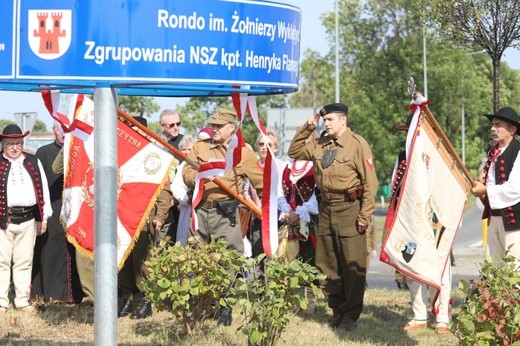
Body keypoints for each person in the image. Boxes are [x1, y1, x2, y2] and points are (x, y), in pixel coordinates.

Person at [287, 103, 379, 332]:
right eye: (324, 120)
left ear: (343, 121)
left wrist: (364, 215)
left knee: (351, 263)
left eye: (329, 120)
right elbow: (294, 151)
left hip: (350, 208)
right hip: (325, 207)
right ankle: (337, 309)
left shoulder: (357, 144)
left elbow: (370, 183)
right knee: (326, 263)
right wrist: (309, 126)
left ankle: (351, 314)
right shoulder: (320, 143)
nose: (325, 124)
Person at [182, 108, 263, 326]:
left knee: (229, 259)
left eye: (219, 126)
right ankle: (204, 303)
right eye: (213, 125)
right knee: (198, 258)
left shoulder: (242, 152)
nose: (215, 129)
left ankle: (224, 304)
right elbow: (187, 173)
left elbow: (260, 181)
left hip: (226, 213)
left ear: (231, 127)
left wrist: (266, 207)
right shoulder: (200, 147)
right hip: (200, 210)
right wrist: (200, 176)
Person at [389, 115, 451, 334]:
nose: (410, 135)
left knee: (440, 267)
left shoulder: (441, 157)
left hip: (436, 219)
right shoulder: (403, 156)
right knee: (411, 262)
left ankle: (442, 316)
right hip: (410, 219)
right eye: (409, 131)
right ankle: (419, 314)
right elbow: (395, 187)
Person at [118, 116, 173, 319]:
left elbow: (165, 190)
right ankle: (128, 299)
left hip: (143, 215)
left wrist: (159, 216)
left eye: (137, 129)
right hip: (121, 215)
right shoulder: (119, 153)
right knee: (123, 262)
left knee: (143, 262)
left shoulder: (153, 155)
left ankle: (145, 301)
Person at [0, 124, 53, 312]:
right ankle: (1, 301)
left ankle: (22, 300)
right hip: (3, 220)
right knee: (2, 261)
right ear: (3, 144)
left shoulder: (33, 161)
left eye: (18, 143)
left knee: (24, 260)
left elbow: (43, 190)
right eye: (10, 143)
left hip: (29, 219)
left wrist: (43, 218)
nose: (15, 147)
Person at [31, 122, 83, 303]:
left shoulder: (80, 150)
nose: (63, 134)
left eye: (66, 130)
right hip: (52, 208)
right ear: (53, 130)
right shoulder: (43, 153)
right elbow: (37, 186)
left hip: (76, 209)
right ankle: (52, 293)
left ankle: (76, 293)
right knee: (50, 250)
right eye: (60, 130)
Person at [471, 106, 520, 265]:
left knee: (514, 268)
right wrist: (480, 188)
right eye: (492, 125)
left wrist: (485, 189)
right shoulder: (493, 152)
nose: (493, 128)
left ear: (512, 129)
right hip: (494, 216)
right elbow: (488, 182)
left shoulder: (518, 151)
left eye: (498, 125)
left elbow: (515, 188)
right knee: (494, 268)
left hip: (514, 221)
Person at [159, 109, 184, 242]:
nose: (176, 127)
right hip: (162, 201)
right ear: (162, 126)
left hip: (181, 200)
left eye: (178, 123)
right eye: (171, 125)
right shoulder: (156, 142)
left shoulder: (186, 142)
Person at [171, 134, 196, 245]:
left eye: (189, 149)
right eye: (184, 149)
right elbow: (176, 187)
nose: (186, 152)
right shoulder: (182, 167)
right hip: (188, 208)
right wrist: (187, 199)